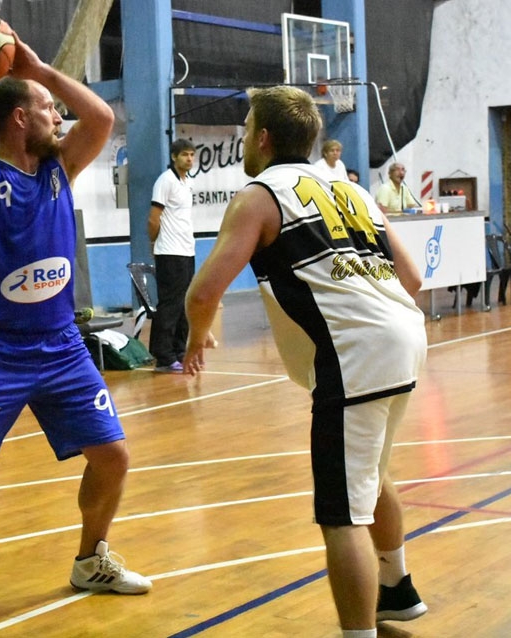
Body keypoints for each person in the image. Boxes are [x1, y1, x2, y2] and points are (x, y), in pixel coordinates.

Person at [0, 33, 151, 629]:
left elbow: (100, 117)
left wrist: (41, 70)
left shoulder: (58, 169)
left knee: (113, 457)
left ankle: (90, 560)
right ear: (20, 118)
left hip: (62, 345)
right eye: (48, 108)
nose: (60, 116)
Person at [183, 85, 428, 637]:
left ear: (263, 138)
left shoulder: (258, 196)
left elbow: (203, 293)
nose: (247, 137)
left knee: (341, 515)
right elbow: (412, 278)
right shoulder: (352, 190)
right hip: (405, 338)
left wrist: (197, 338)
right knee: (372, 474)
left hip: (356, 354)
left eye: (248, 128)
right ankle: (397, 588)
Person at [147, 138, 196, 373]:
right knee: (170, 304)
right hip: (169, 252)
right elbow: (153, 219)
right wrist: (154, 243)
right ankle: (163, 357)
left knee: (185, 303)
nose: (189, 159)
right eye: (185, 154)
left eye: (192, 155)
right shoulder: (165, 181)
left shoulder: (188, 182)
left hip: (187, 250)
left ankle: (179, 351)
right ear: (174, 157)